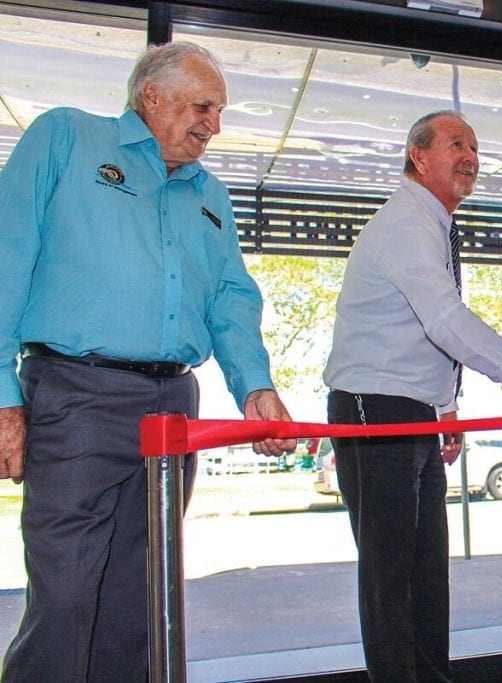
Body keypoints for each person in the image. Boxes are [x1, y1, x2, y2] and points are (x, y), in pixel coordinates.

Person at [0, 42, 295, 682]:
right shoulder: (64, 139)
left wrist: (256, 385)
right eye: (203, 107)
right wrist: (3, 396)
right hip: (76, 396)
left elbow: (231, 298)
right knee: (67, 593)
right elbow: (5, 257)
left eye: (218, 111)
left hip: (172, 409)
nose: (213, 125)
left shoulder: (209, 191)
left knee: (142, 597)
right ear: (151, 96)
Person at [323, 109, 502, 681]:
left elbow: (421, 330)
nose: (471, 156)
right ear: (419, 156)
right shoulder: (405, 222)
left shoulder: (433, 223)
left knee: (426, 575)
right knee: (391, 577)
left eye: (474, 147)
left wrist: (444, 405)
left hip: (413, 411)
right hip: (375, 410)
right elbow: (446, 320)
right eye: (456, 144)